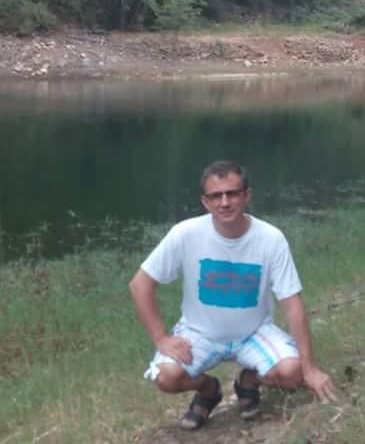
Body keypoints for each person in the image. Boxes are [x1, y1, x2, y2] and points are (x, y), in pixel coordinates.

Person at [129, 160, 336, 430]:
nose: (224, 202)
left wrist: (310, 368)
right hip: (200, 333)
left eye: (232, 193)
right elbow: (140, 285)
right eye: (216, 196)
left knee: (294, 374)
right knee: (166, 377)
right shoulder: (185, 234)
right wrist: (161, 338)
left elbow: (292, 304)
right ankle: (208, 390)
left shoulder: (271, 238)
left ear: (246, 195)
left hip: (254, 333)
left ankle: (248, 381)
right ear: (205, 202)